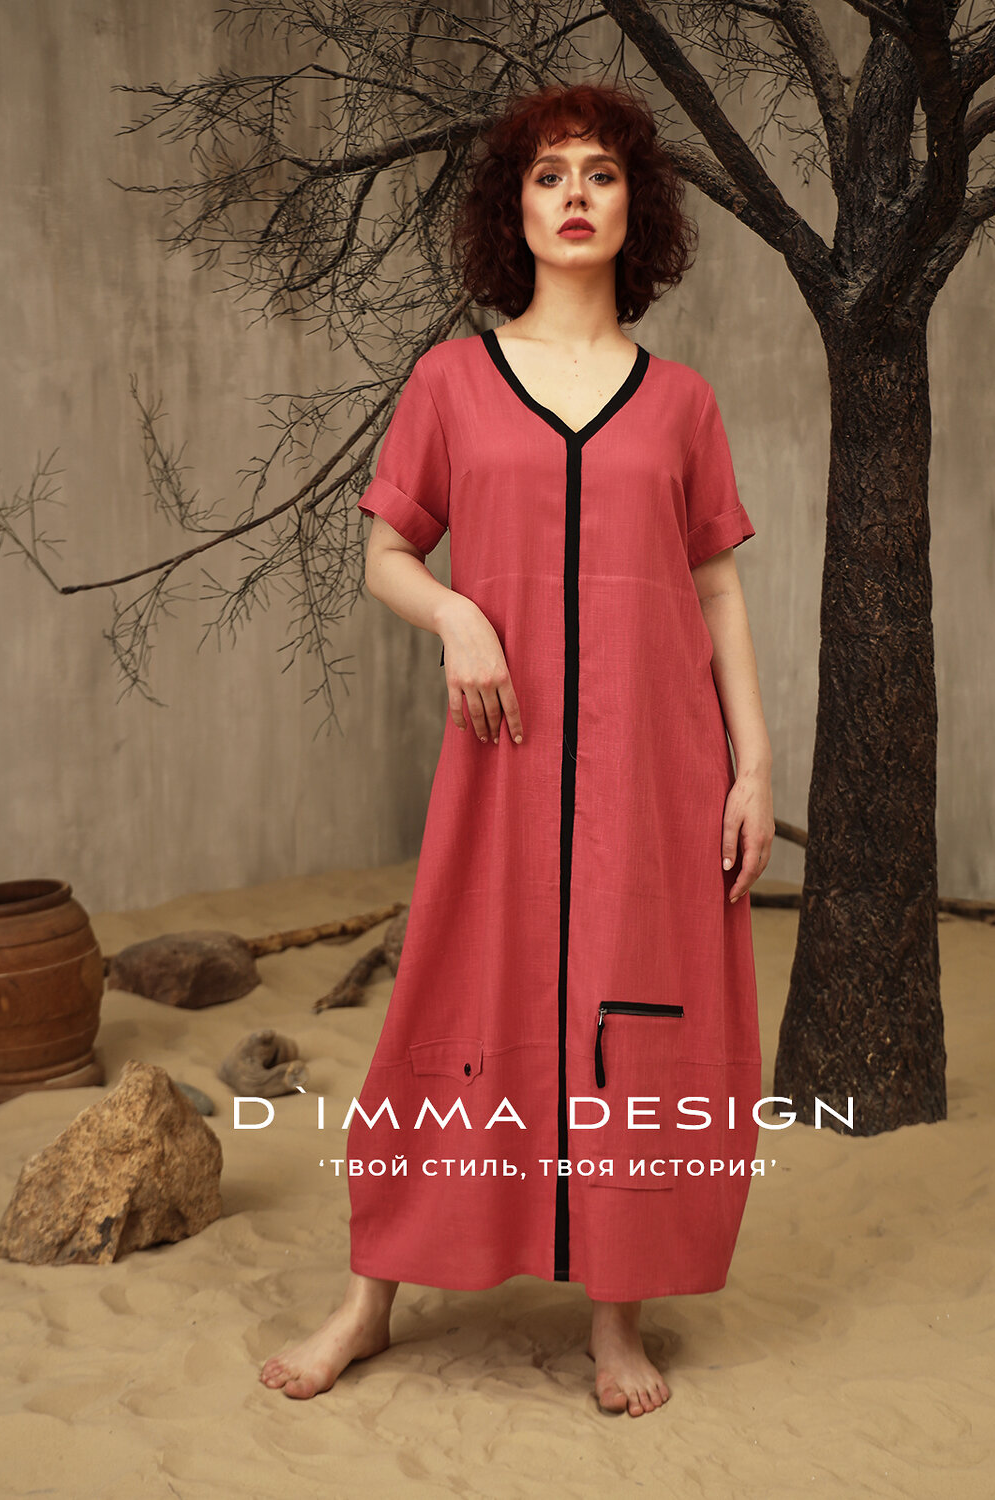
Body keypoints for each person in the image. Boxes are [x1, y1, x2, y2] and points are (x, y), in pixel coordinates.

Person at [261, 80, 774, 1419]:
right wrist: (458, 618)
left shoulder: (682, 402)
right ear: (514, 208)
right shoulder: (452, 380)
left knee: (635, 1017)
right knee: (452, 1000)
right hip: (504, 760)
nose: (574, 196)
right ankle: (369, 1300)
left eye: (600, 173)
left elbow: (716, 587)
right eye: (548, 175)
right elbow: (386, 553)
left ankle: (617, 1319)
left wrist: (755, 768)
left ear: (636, 208)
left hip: (656, 767)